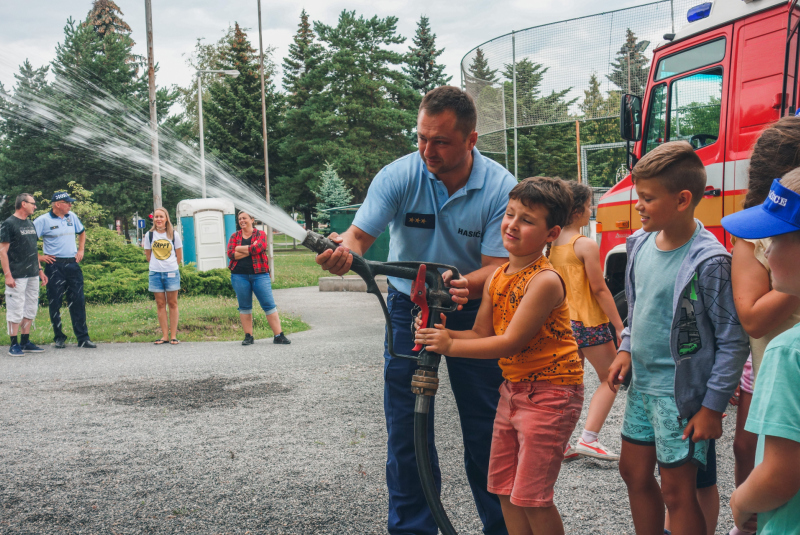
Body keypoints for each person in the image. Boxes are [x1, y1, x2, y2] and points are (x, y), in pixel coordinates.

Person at [315, 85, 515, 535]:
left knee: (487, 426)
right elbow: (358, 238)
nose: (427, 150)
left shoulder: (500, 187)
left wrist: (462, 285)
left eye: (440, 141)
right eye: (421, 137)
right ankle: (413, 529)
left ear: (471, 140)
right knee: (407, 427)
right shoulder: (400, 175)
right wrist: (342, 251)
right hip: (412, 306)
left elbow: (498, 269)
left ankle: (503, 528)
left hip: (475, 309)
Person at [415, 177, 583, 535]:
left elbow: (510, 343)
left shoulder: (544, 280)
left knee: (531, 497)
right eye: (510, 214)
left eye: (527, 220)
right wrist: (439, 333)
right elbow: (480, 334)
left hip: (551, 394)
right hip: (514, 391)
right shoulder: (497, 277)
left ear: (552, 233)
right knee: (504, 488)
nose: (512, 224)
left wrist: (449, 345)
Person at [607, 141, 749, 535]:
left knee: (677, 491)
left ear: (683, 199)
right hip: (642, 390)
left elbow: (733, 342)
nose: (638, 206)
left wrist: (712, 408)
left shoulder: (710, 261)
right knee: (632, 472)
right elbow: (638, 308)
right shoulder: (639, 244)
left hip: (680, 399)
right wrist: (625, 347)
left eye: (648, 198)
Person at [725, 116, 800, 535]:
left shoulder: (789, 352)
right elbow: (752, 318)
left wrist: (740, 502)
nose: (767, 250)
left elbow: (781, 474)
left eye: (778, 239)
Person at [549, 181, 624, 462]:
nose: (591, 209)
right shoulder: (584, 244)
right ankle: (589, 439)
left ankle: (560, 443)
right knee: (611, 378)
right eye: (589, 205)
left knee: (569, 384)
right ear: (578, 210)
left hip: (562, 323)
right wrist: (620, 326)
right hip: (588, 322)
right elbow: (600, 289)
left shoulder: (552, 243)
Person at [33, 191, 96, 349]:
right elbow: (28, 241)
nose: (70, 205)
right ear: (57, 204)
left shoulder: (71, 217)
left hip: (72, 264)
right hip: (55, 265)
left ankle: (83, 338)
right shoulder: (42, 220)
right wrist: (40, 257)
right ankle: (59, 337)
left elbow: (82, 232)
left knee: (78, 300)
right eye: (67, 202)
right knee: (55, 302)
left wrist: (81, 250)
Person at [227, 211, 290, 345]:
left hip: (260, 275)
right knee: (244, 306)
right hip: (239, 275)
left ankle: (278, 335)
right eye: (239, 219)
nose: (241, 221)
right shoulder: (234, 236)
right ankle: (248, 336)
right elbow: (231, 254)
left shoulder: (260, 234)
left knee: (269, 305)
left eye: (244, 218)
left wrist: (239, 248)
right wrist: (250, 249)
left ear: (252, 219)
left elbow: (259, 248)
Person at [1, 193, 48, 356]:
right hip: (17, 274)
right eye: (32, 203)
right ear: (23, 204)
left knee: (30, 307)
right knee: (15, 307)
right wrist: (8, 275)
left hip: (32, 274)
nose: (35, 206)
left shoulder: (30, 223)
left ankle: (25, 341)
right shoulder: (9, 224)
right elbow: (2, 251)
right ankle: (14, 344)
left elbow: (33, 249)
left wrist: (40, 270)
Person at [142, 207, 183, 345]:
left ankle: (173, 336)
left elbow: (179, 256)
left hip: (171, 272)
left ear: (166, 219)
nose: (158, 219)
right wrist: (157, 266)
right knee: (160, 304)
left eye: (161, 216)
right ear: (153, 219)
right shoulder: (149, 235)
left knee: (172, 303)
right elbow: (148, 256)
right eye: (156, 217)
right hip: (155, 273)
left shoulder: (174, 234)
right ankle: (164, 336)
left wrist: (170, 267)